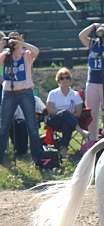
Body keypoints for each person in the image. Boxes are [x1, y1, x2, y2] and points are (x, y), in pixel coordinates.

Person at [0, 31, 43, 165]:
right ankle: (1, 157)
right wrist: (4, 45)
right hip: (9, 93)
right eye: (11, 38)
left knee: (32, 125)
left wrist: (20, 43)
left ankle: (38, 158)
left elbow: (36, 51)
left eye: (16, 38)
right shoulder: (5, 56)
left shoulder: (27, 55)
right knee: (4, 125)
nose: (13, 41)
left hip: (25, 92)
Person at [79, 22, 104, 143]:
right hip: (92, 83)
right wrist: (93, 26)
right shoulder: (93, 44)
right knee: (91, 113)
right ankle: (92, 140)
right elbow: (81, 36)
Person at [45, 67, 87, 156]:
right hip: (55, 120)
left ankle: (63, 149)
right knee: (65, 113)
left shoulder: (75, 94)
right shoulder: (53, 93)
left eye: (67, 77)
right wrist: (63, 113)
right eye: (62, 78)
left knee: (67, 124)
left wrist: (67, 116)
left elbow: (78, 113)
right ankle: (80, 130)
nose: (65, 80)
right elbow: (50, 110)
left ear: (70, 80)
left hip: (70, 122)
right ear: (58, 80)